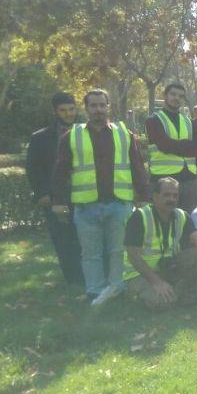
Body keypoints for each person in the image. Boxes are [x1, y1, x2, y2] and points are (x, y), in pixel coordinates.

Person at [50, 88, 151, 305]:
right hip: (86, 205)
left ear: (108, 107)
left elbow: (137, 166)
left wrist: (143, 195)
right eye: (93, 105)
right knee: (90, 253)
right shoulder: (73, 136)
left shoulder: (124, 134)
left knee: (118, 251)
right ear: (86, 109)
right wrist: (57, 201)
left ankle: (116, 288)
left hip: (119, 203)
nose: (98, 109)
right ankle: (95, 291)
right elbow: (61, 170)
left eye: (102, 105)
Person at [123, 176, 197, 306]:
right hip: (139, 273)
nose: (171, 199)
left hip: (167, 268)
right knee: (162, 302)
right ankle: (134, 292)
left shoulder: (181, 215)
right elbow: (133, 257)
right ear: (155, 196)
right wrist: (157, 282)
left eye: (174, 196)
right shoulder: (139, 217)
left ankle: (187, 298)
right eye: (166, 195)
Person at [26, 91, 84, 289]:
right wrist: (42, 194)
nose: (68, 114)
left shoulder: (85, 133)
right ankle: (73, 279)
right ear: (55, 111)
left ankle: (88, 277)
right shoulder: (40, 138)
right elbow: (33, 169)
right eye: (63, 110)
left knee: (84, 238)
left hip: (83, 194)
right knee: (62, 239)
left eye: (71, 109)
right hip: (55, 197)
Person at [145, 82, 197, 212]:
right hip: (162, 179)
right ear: (165, 96)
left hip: (190, 180)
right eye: (173, 94)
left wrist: (176, 145)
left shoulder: (188, 121)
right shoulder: (153, 120)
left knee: (189, 221)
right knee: (163, 220)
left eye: (180, 96)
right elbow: (164, 145)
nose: (176, 98)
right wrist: (187, 145)